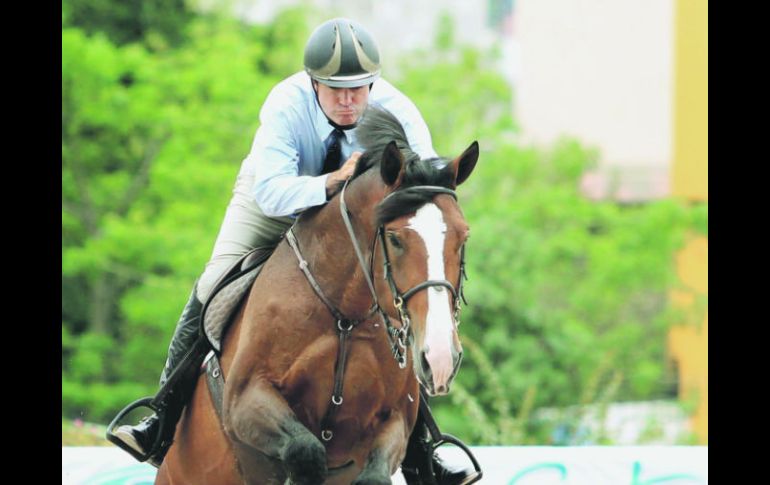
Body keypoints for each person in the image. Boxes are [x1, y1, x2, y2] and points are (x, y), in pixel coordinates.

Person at [111, 17, 480, 485]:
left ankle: (424, 450)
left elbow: (421, 189)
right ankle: (160, 419)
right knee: (212, 282)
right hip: (278, 198)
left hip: (361, 217)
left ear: (373, 83)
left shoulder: (400, 112)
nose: (348, 101)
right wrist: (329, 183)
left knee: (397, 302)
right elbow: (271, 192)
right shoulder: (286, 104)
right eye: (335, 90)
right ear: (313, 83)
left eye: (358, 89)